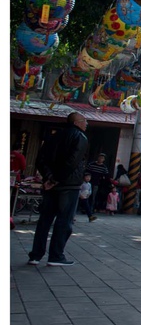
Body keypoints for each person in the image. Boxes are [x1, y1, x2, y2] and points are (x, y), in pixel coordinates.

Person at [28, 112, 90, 267]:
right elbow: (72, 162)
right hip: (68, 185)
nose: (87, 123)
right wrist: (56, 179)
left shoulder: (53, 136)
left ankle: (35, 255)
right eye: (84, 121)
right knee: (64, 221)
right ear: (76, 122)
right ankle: (56, 255)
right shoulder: (80, 137)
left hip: (51, 184)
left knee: (45, 220)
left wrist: (49, 177)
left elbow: (40, 160)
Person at [84, 155, 111, 222]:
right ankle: (86, 209)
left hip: (96, 183)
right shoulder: (91, 164)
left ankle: (91, 209)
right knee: (85, 196)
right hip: (88, 182)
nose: (100, 159)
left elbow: (106, 175)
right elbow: (86, 171)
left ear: (104, 159)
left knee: (93, 196)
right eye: (100, 157)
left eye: (102, 158)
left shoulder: (104, 167)